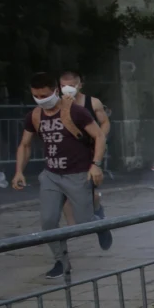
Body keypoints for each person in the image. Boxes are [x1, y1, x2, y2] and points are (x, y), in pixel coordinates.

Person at [12, 72, 110, 278]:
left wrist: (96, 165)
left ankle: (99, 223)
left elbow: (99, 136)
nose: (41, 99)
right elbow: (25, 144)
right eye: (36, 96)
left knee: (82, 223)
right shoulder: (34, 116)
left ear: (55, 91)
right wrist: (19, 171)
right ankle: (61, 262)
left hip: (78, 174)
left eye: (45, 95)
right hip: (51, 175)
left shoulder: (76, 112)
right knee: (48, 221)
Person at [58, 71, 110, 229]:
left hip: (88, 151)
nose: (67, 89)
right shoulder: (57, 104)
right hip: (66, 153)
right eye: (63, 86)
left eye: (71, 85)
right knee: (65, 193)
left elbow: (105, 122)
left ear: (79, 85)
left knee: (89, 190)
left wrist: (100, 139)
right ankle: (72, 228)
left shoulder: (92, 102)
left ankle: (97, 207)